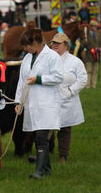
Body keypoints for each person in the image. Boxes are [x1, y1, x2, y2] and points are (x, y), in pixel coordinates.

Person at [15, 28, 63, 179]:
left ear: (35, 43)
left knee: (41, 138)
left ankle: (39, 171)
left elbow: (58, 77)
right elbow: (21, 82)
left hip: (47, 103)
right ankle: (47, 169)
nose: (24, 48)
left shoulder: (52, 57)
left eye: (26, 45)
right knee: (38, 135)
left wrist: (39, 79)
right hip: (31, 104)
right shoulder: (27, 59)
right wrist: (19, 102)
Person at [50, 33, 87, 164]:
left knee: (64, 128)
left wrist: (70, 91)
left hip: (67, 101)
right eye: (53, 43)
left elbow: (83, 79)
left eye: (58, 43)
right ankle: (43, 154)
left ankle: (63, 155)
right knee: (46, 127)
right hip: (49, 99)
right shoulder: (47, 60)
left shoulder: (75, 62)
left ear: (66, 45)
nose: (54, 45)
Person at [81, 20, 100, 88]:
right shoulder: (87, 34)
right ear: (91, 27)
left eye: (96, 27)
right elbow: (84, 43)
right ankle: (88, 84)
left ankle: (93, 84)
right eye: (94, 26)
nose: (95, 28)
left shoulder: (98, 34)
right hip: (89, 54)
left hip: (97, 55)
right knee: (89, 70)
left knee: (95, 70)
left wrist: (99, 48)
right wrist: (91, 48)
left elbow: (100, 43)